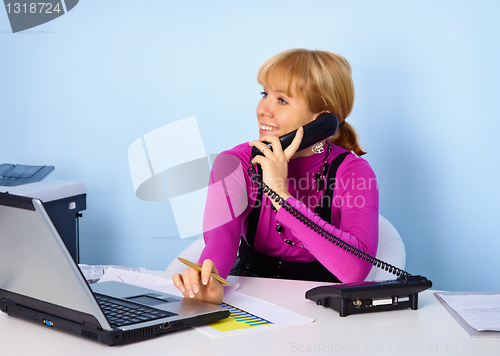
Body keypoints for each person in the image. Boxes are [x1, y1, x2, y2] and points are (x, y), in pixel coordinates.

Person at [173, 48, 379, 304]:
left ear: (323, 121)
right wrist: (209, 277)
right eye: (265, 94)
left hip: (324, 309)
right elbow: (220, 238)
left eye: (282, 100)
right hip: (253, 300)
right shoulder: (235, 163)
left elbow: (356, 270)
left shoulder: (353, 172)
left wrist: (280, 194)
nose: (262, 109)